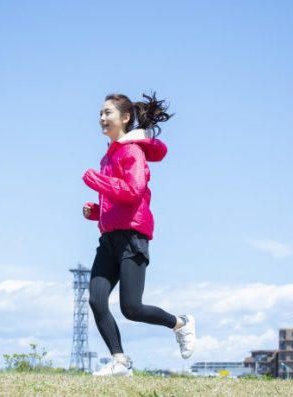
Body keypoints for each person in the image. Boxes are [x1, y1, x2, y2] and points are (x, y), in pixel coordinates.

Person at [82, 92, 196, 377]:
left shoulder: (132, 152)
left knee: (131, 308)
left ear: (125, 118)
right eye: (100, 113)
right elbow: (117, 199)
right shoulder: (107, 157)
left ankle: (180, 323)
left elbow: (133, 192)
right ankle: (120, 362)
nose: (102, 118)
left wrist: (95, 180)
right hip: (108, 239)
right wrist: (96, 212)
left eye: (107, 112)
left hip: (132, 238)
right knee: (96, 300)